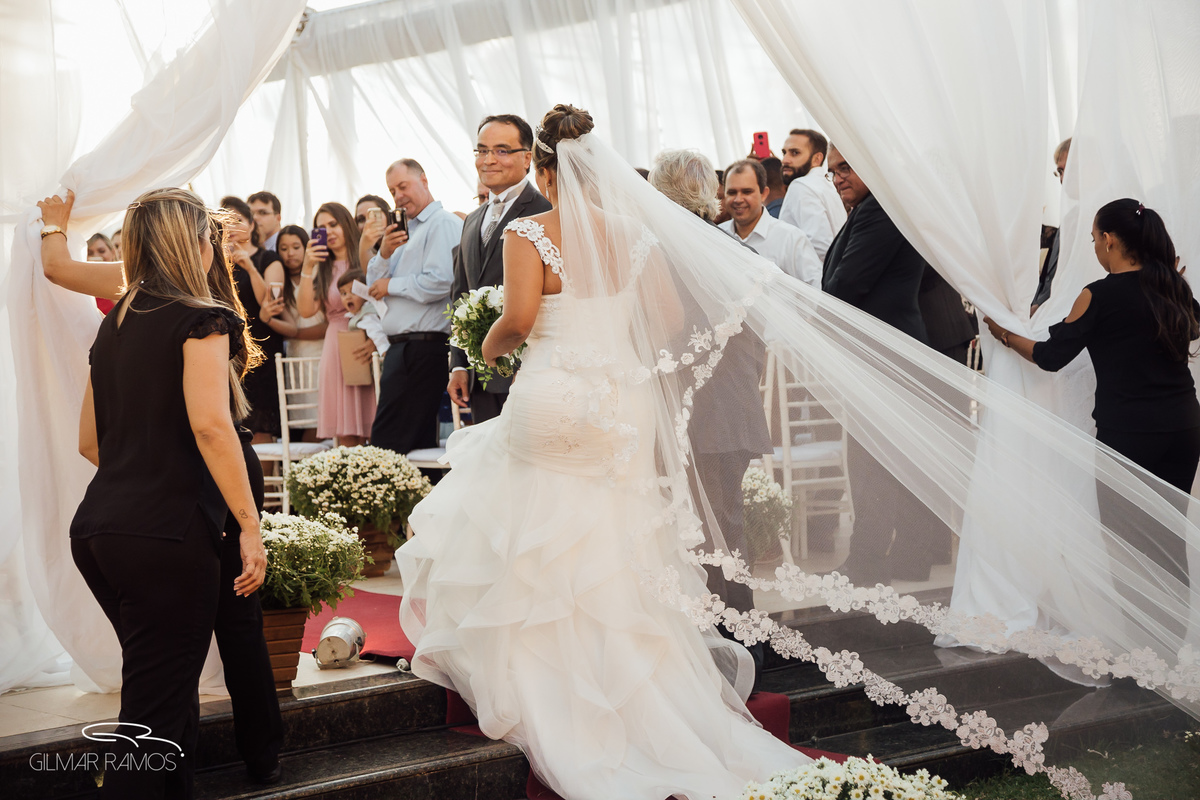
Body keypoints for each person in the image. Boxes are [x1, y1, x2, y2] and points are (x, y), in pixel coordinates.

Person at [397, 104, 807, 800]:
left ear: (546, 169)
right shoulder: (636, 236)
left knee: (530, 528)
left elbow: (520, 320)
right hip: (620, 404)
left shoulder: (532, 232)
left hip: (554, 394)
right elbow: (669, 322)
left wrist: (483, 343)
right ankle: (630, 689)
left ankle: (546, 682)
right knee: (614, 542)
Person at [37, 189, 286, 790]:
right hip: (168, 529)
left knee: (157, 692)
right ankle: (255, 758)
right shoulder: (203, 318)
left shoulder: (115, 324)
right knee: (161, 711)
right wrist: (249, 526)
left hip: (100, 528)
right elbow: (210, 425)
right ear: (194, 243)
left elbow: (90, 443)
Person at [985, 199, 1199, 588]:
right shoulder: (1171, 285)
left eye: (1093, 239)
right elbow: (1196, 329)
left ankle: (1141, 644)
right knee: (1170, 538)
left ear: (1109, 239)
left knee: (1126, 545)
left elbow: (1050, 357)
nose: (1095, 248)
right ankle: (1174, 640)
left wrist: (1004, 334)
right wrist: (1173, 282)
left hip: (1130, 435)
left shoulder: (1098, 294)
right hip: (1184, 427)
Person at [650, 147, 774, 682]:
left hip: (699, 412)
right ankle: (738, 643)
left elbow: (663, 332)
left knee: (710, 533)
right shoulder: (729, 249)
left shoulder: (666, 252)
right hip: (732, 407)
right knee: (725, 529)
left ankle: (734, 651)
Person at [822, 144, 941, 585]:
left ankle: (870, 560)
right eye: (832, 172)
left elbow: (846, 284)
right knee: (884, 460)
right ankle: (897, 556)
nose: (839, 178)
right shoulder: (873, 210)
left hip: (886, 357)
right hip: (884, 353)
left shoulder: (881, 211)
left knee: (876, 462)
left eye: (847, 167)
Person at [447, 114, 552, 423]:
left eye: (502, 150)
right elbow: (460, 294)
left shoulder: (545, 212)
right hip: (479, 378)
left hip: (531, 371)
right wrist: (457, 365)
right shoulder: (471, 220)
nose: (488, 160)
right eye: (482, 150)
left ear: (526, 158)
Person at [364, 159, 460, 454]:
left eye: (403, 186)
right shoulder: (405, 231)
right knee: (408, 446)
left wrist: (391, 285)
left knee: (388, 445)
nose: (398, 196)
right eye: (392, 191)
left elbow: (440, 281)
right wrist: (383, 253)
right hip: (403, 349)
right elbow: (372, 287)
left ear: (424, 180)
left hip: (423, 348)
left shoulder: (441, 223)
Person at [298, 202, 375, 446]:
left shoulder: (365, 258)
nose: (329, 231)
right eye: (321, 228)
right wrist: (307, 266)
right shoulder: (321, 268)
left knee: (375, 421)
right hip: (336, 344)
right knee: (345, 429)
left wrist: (375, 340)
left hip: (368, 341)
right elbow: (306, 309)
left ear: (346, 224)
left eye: (333, 224)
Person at [222, 195, 284, 443]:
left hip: (262, 348)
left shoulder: (268, 259)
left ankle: (263, 483)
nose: (231, 227)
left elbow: (269, 306)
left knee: (261, 426)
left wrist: (249, 267)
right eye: (225, 221)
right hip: (229, 352)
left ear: (250, 224)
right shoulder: (216, 262)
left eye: (237, 220)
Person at [720, 159, 821, 288]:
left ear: (764, 194)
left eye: (747, 192)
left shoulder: (790, 238)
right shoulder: (717, 235)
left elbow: (815, 293)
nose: (738, 199)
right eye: (732, 192)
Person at [779, 128, 846, 260]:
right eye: (784, 153)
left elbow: (820, 247)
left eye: (795, 153)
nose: (785, 160)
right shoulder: (828, 184)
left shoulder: (801, 186)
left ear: (817, 158)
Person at [1032, 137, 1073, 312]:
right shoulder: (1069, 218)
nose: (1062, 180)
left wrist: (1039, 307)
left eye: (1066, 170)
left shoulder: (1101, 216)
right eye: (1059, 172)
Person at [337, 268, 390, 358]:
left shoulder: (367, 315)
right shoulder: (356, 315)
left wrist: (385, 353)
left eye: (353, 292)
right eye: (344, 293)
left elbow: (376, 333)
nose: (348, 297)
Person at [355, 193, 392, 268]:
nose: (368, 223)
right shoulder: (356, 254)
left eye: (374, 216)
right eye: (361, 219)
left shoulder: (402, 246)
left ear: (388, 215)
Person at [87, 233, 120, 314]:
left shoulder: (123, 280)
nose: (96, 256)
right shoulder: (81, 287)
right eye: (90, 253)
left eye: (101, 251)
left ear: (113, 253)